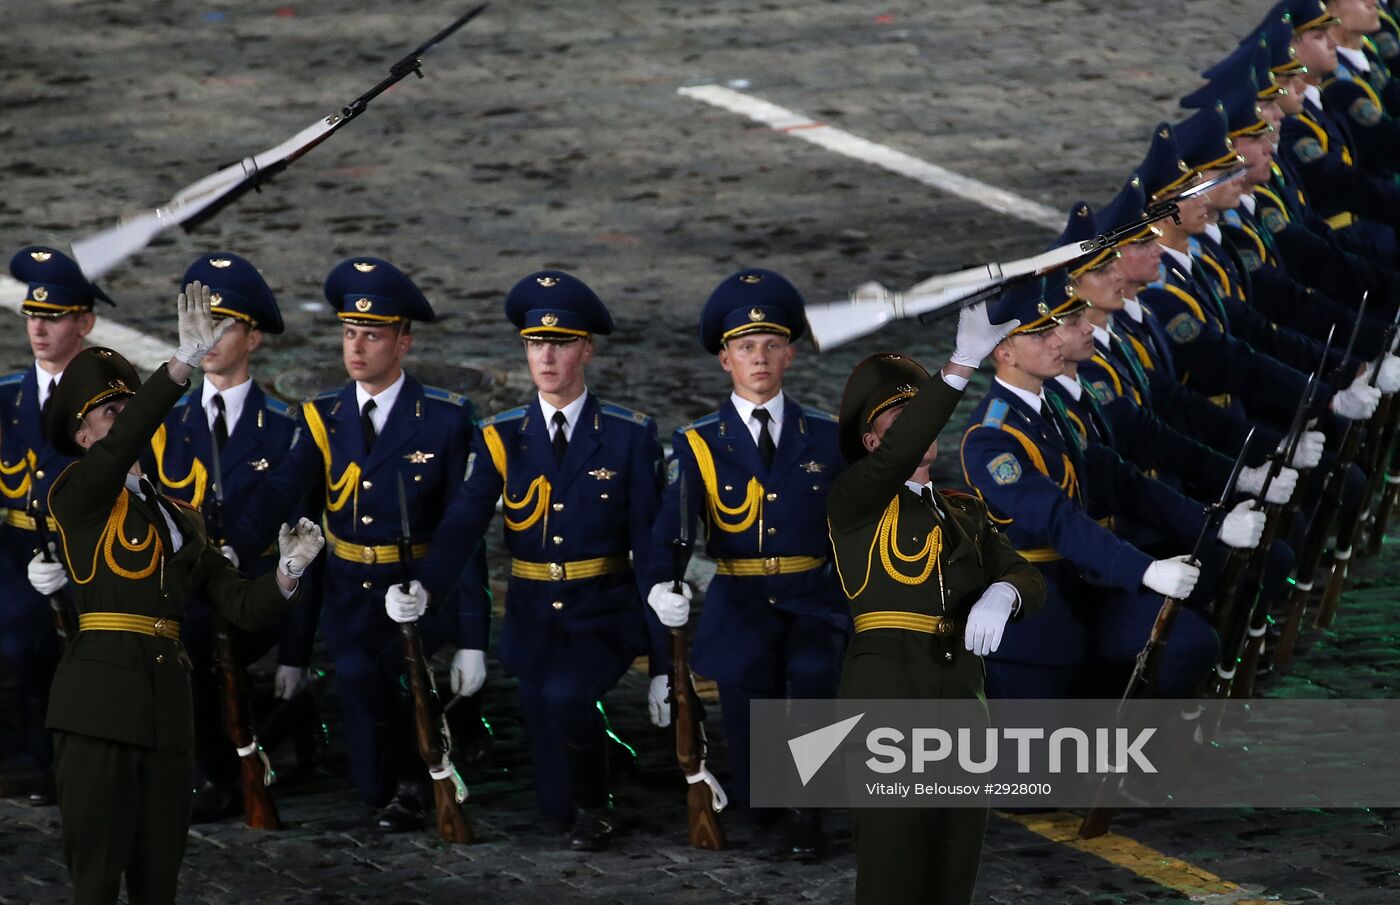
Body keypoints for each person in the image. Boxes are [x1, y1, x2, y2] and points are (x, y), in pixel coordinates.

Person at [33, 283, 322, 905]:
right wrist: (180, 366)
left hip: (167, 709)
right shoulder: (75, 493)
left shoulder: (179, 516)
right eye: (110, 416)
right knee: (96, 878)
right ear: (85, 438)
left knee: (159, 879)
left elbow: (240, 604)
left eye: (128, 410)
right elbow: (118, 455)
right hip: (98, 705)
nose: (127, 423)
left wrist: (287, 572)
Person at [226, 257, 489, 831]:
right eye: (350, 333)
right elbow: (282, 494)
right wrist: (236, 550)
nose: (358, 347)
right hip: (349, 593)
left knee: (366, 674)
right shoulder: (321, 418)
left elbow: (463, 532)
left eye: (373, 335)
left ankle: (424, 769)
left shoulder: (445, 420)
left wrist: (472, 636)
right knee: (368, 782)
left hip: (422, 592)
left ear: (404, 342)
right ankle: (435, 734)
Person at [429, 270, 664, 850]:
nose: (547, 356)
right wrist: (425, 585)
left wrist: (664, 663)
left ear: (585, 349)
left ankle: (600, 807)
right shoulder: (500, 436)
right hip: (534, 618)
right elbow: (464, 523)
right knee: (552, 801)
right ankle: (604, 761)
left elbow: (653, 547)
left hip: (602, 613)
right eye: (536, 344)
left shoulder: (630, 437)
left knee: (566, 701)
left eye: (560, 344)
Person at [827, 304, 1045, 905]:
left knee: (954, 873)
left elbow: (1025, 573)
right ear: (873, 440)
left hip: (964, 704)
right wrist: (960, 366)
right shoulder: (856, 500)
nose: (915, 430)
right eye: (900, 419)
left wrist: (1005, 593)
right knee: (893, 871)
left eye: (918, 415)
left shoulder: (965, 511)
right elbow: (898, 459)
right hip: (888, 701)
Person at [645, 268, 848, 858]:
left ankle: (810, 810)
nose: (757, 358)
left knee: (814, 678)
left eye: (770, 346)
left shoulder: (827, 436)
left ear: (789, 356)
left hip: (812, 599)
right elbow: (672, 527)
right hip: (739, 601)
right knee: (753, 758)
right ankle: (770, 804)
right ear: (725, 361)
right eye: (744, 348)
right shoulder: (698, 442)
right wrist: (663, 584)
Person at [143, 252, 323, 818]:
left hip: (258, 595)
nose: (212, 338)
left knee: (188, 649)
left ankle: (220, 772)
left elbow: (306, 545)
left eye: (227, 326)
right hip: (186, 591)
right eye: (203, 325)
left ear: (255, 339)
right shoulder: (166, 424)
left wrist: (296, 654)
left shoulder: (292, 432)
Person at [0, 245, 115, 805]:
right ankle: (46, 762)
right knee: (24, 645)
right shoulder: (5, 399)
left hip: (99, 547)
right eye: (32, 316)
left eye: (54, 317)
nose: (39, 329)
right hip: (20, 549)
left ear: (85, 323)